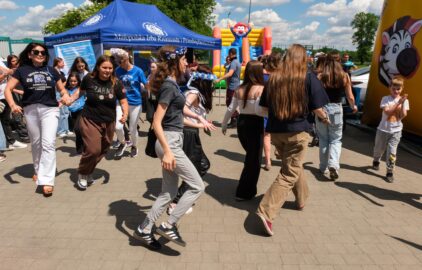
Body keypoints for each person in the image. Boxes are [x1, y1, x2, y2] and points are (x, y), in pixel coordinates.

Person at [133, 46, 211, 250]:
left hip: (170, 140)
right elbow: (157, 122)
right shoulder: (169, 85)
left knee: (167, 192)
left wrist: (198, 117)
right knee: (197, 186)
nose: (188, 64)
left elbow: (180, 109)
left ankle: (144, 228)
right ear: (176, 61)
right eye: (185, 60)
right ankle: (170, 224)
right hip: (169, 142)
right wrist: (168, 151)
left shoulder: (173, 85)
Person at [255, 44, 329, 236]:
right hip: (297, 132)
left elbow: (263, 107)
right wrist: (325, 118)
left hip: (276, 133)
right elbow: (317, 107)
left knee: (294, 166)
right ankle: (266, 212)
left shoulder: (274, 78)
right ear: (303, 59)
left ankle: (301, 199)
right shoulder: (308, 78)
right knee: (289, 172)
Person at [4, 42, 72, 196]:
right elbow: (8, 89)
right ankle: (38, 169)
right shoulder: (22, 70)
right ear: (29, 54)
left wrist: (66, 95)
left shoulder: (52, 70)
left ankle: (47, 180)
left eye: (43, 52)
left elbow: (61, 89)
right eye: (36, 52)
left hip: (50, 109)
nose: (40, 54)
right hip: (30, 110)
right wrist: (13, 105)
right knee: (36, 143)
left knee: (48, 143)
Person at [69, 55, 128, 190]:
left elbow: (123, 101)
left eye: (110, 68)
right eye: (104, 67)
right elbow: (80, 92)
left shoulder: (116, 83)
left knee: (103, 150)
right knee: (93, 149)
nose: (107, 70)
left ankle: (89, 171)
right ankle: (83, 174)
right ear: (98, 67)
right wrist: (69, 100)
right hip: (90, 119)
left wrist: (125, 114)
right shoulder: (89, 79)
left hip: (109, 121)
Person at [167, 65, 217, 215]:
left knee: (199, 166)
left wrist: (203, 124)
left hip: (191, 133)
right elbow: (182, 111)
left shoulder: (197, 93)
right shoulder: (194, 92)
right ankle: (176, 202)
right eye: (211, 81)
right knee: (199, 166)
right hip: (187, 134)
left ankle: (182, 196)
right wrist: (199, 122)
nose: (212, 85)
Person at [221, 60, 265, 200]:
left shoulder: (239, 89)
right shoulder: (261, 89)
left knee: (250, 156)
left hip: (242, 123)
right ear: (258, 72)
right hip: (255, 124)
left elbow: (230, 109)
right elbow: (259, 111)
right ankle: (244, 191)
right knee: (254, 160)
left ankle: (246, 189)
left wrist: (224, 124)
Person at [316, 53, 357, 180]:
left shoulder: (320, 76)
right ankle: (333, 164)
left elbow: (315, 94)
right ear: (340, 61)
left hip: (322, 109)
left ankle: (323, 167)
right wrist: (353, 106)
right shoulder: (344, 76)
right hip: (337, 109)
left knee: (323, 138)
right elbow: (350, 96)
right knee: (335, 139)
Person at [372, 75, 409, 183]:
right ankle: (376, 160)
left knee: (392, 153)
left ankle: (389, 171)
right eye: (394, 89)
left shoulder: (404, 101)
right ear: (389, 88)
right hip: (383, 130)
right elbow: (387, 112)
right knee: (379, 148)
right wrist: (398, 103)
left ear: (402, 89)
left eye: (398, 89)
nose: (396, 91)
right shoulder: (385, 99)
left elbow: (403, 115)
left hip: (396, 131)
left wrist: (402, 104)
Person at [112, 48, 147, 158]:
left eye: (120, 61)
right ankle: (123, 143)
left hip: (135, 103)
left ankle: (135, 146)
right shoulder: (118, 71)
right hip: (121, 102)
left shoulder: (138, 71)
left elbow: (146, 85)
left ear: (127, 59)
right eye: (117, 61)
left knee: (132, 128)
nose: (119, 64)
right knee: (118, 127)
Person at [0, 60, 28, 150]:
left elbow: (9, 73)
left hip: (5, 95)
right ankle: (7, 143)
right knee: (5, 121)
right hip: (1, 96)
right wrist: (6, 73)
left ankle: (10, 142)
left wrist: (8, 72)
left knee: (6, 120)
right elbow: (7, 73)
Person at [261, 52, 282, 170]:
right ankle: (279, 150)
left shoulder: (262, 76)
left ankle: (268, 161)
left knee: (267, 134)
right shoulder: (283, 76)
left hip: (266, 107)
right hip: (280, 107)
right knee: (279, 132)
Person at [6, 55, 30, 143]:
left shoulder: (22, 70)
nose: (15, 63)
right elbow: (8, 87)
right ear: (9, 63)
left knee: (28, 115)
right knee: (18, 116)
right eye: (13, 61)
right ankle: (24, 136)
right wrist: (17, 91)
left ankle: (29, 133)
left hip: (25, 95)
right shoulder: (10, 72)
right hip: (15, 96)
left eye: (16, 60)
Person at [216, 48, 241, 128]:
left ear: (230, 53)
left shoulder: (234, 63)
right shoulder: (236, 62)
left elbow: (230, 73)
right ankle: (236, 118)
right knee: (231, 104)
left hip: (233, 86)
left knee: (229, 103)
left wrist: (219, 79)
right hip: (235, 86)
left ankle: (235, 119)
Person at [66, 72, 85, 154]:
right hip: (73, 112)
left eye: (75, 81)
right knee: (77, 131)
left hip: (82, 110)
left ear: (78, 81)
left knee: (78, 128)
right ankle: (79, 149)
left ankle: (85, 147)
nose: (73, 83)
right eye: (71, 81)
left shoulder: (81, 89)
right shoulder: (66, 90)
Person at [54, 58, 72, 138]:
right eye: (62, 62)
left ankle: (66, 129)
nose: (64, 64)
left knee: (66, 112)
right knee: (61, 112)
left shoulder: (61, 72)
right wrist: (64, 83)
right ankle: (60, 130)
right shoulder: (53, 71)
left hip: (63, 92)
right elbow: (56, 84)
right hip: (58, 93)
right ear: (57, 63)